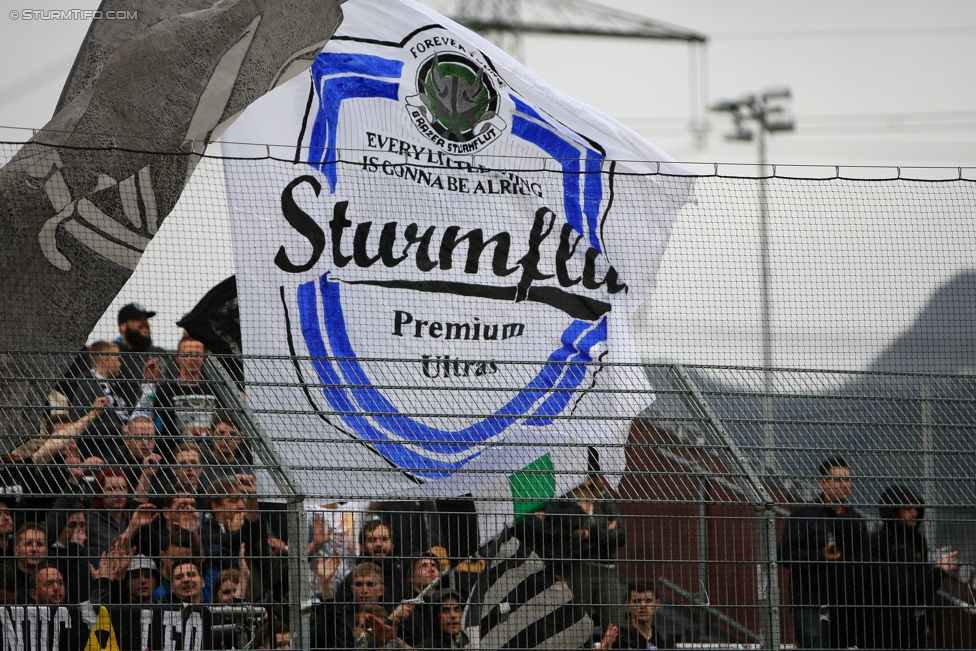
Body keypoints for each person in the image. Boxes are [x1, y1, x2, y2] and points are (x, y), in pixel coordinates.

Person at [778, 456, 866, 649]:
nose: (845, 485)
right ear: (823, 484)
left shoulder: (856, 519)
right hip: (811, 601)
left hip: (845, 603)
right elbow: (783, 554)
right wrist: (819, 555)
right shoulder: (805, 515)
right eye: (838, 480)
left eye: (848, 479)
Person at [868, 485, 957, 650]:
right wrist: (941, 571)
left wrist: (928, 619)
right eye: (908, 507)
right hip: (887, 627)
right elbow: (902, 590)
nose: (914, 512)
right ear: (893, 512)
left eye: (916, 507)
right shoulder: (878, 542)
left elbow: (922, 579)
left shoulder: (917, 540)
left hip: (917, 626)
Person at [602, 581, 675, 649]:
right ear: (628, 605)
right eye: (637, 601)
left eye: (648, 601)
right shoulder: (616, 637)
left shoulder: (665, 640)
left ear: (657, 604)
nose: (643, 606)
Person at [6, 522, 48, 602]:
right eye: (28, 544)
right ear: (16, 551)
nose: (34, 549)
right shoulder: (4, 578)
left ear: (46, 551)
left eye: (39, 544)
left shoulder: (54, 577)